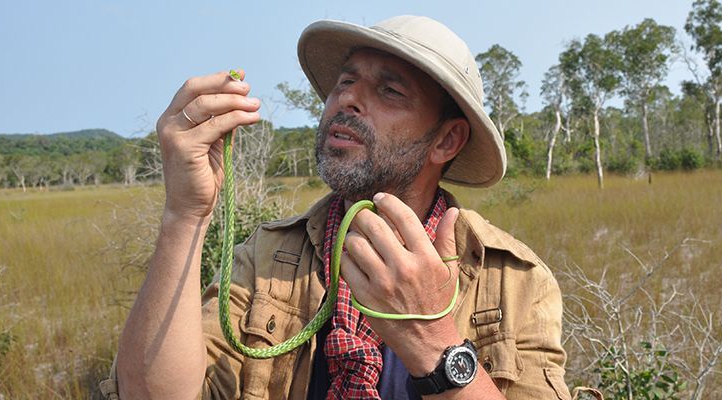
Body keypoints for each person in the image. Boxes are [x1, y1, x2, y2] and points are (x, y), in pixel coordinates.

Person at [100, 15, 571, 400]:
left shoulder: (513, 280)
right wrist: (186, 213)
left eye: (390, 91)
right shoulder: (268, 257)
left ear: (446, 139)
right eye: (345, 81)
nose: (347, 99)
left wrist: (433, 339)